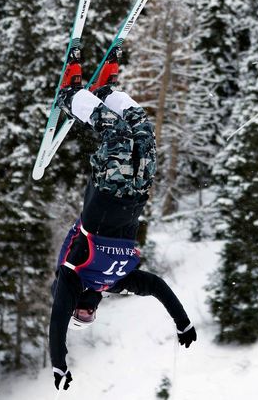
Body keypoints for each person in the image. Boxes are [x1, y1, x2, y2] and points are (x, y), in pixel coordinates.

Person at [48, 48, 197, 392]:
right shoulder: (115, 283)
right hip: (136, 195)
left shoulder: (71, 279)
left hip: (105, 194)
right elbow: (158, 287)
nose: (86, 312)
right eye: (89, 316)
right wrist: (182, 322)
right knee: (143, 133)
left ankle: (71, 96)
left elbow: (57, 320)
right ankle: (106, 93)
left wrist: (59, 362)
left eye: (80, 315)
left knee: (116, 134)